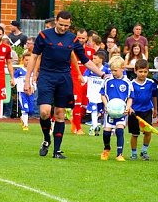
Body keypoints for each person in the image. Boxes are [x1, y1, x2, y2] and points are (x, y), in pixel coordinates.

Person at [24, 10, 107, 159]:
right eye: (61, 25)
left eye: (66, 26)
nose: (63, 28)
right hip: (46, 76)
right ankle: (46, 139)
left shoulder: (72, 39)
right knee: (44, 112)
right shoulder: (44, 35)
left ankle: (57, 150)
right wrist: (27, 79)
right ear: (56, 21)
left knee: (60, 113)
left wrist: (102, 74)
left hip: (63, 78)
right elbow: (34, 56)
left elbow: (85, 60)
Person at [99, 56, 133, 161]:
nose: (113, 72)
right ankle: (107, 148)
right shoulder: (107, 81)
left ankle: (119, 154)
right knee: (106, 132)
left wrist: (128, 108)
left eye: (115, 70)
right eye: (111, 70)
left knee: (119, 130)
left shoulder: (127, 82)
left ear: (123, 68)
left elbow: (130, 97)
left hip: (121, 112)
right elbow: (102, 94)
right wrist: (106, 105)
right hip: (109, 111)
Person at [128, 58, 157, 161]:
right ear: (135, 71)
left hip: (147, 110)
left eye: (145, 71)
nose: (143, 74)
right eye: (140, 71)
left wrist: (155, 109)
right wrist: (129, 107)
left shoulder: (151, 83)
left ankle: (144, 150)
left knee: (148, 132)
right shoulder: (131, 84)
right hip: (134, 112)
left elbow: (154, 96)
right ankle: (134, 152)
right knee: (135, 134)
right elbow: (128, 98)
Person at [84, 50, 109, 135]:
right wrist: (81, 79)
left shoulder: (106, 70)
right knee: (93, 109)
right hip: (92, 94)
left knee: (105, 110)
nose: (92, 60)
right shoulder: (89, 69)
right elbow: (84, 79)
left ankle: (108, 127)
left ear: (101, 59)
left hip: (103, 95)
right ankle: (95, 126)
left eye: (95, 58)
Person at [12, 51, 33, 131]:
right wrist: (13, 83)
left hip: (30, 93)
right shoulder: (19, 71)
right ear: (23, 60)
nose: (28, 62)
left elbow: (34, 81)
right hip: (22, 93)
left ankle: (22, 118)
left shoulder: (32, 71)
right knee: (25, 109)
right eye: (26, 60)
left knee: (31, 111)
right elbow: (14, 81)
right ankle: (25, 125)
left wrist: (33, 88)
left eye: (29, 60)